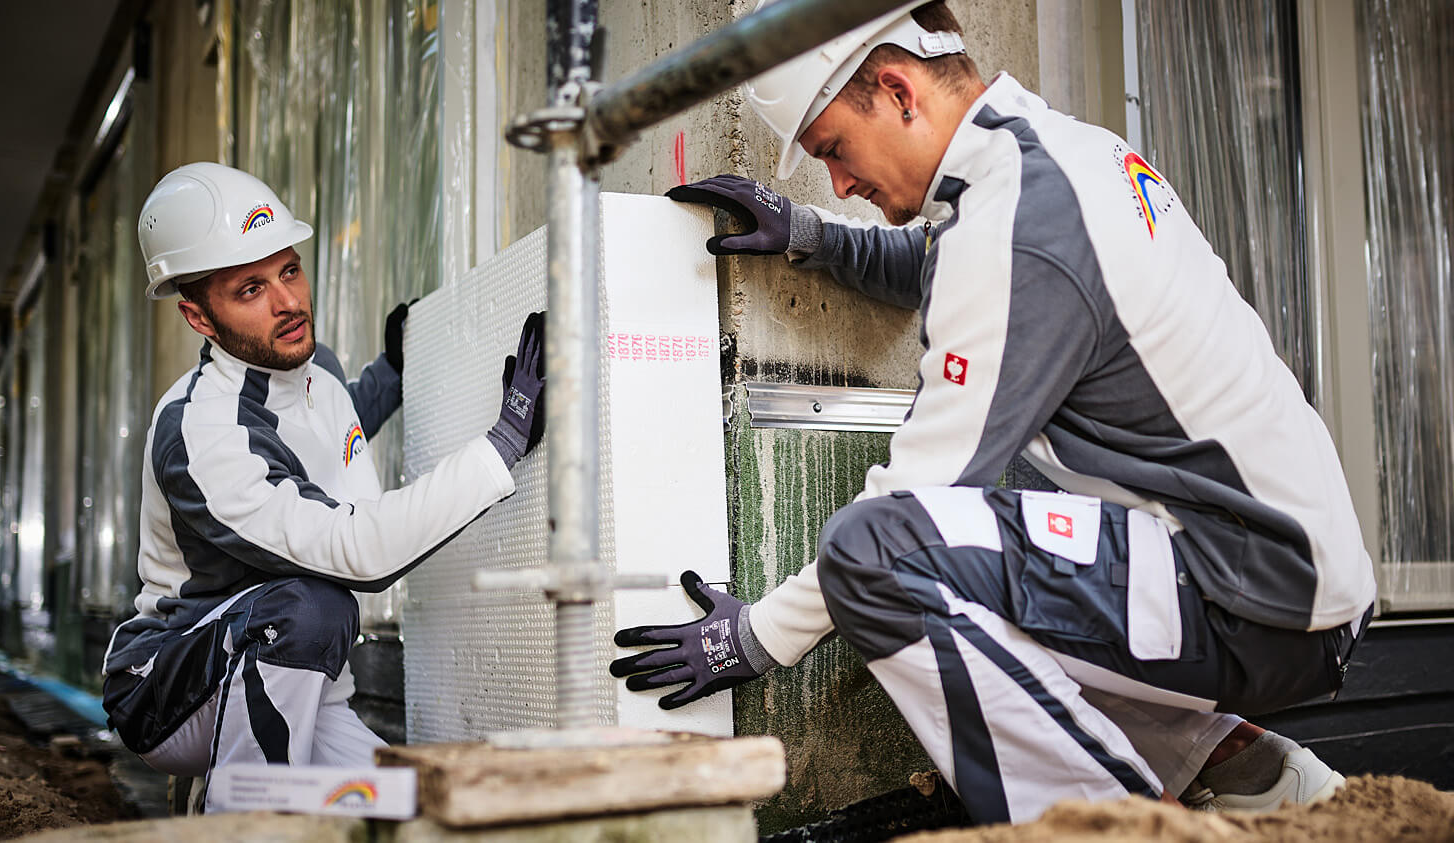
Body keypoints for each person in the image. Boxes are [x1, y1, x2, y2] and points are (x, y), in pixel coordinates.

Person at [610, 0, 1375, 825]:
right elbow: (953, 260)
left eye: (833, 149)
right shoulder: (1056, 160)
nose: (838, 181)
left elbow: (911, 498)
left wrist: (752, 636)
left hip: (1250, 596)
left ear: (900, 92)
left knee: (877, 553)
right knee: (1001, 600)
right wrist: (815, 236)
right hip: (1286, 577)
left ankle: (1114, 825)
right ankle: (1245, 770)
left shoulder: (1018, 227)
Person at [102, 162, 545, 810]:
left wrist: (395, 368)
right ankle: (234, 812)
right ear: (198, 315)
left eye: (288, 269)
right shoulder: (199, 434)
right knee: (316, 602)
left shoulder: (314, 368)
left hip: (296, 673)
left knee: (403, 808)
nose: (288, 300)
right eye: (250, 288)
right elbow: (356, 550)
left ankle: (240, 779)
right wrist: (501, 442)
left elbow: (323, 428)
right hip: (171, 690)